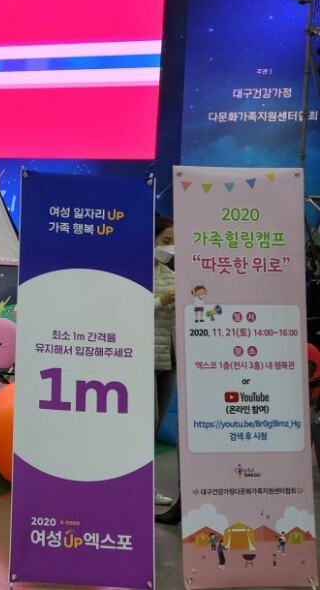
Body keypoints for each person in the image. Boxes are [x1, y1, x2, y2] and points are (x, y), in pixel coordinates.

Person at [153, 214, 176, 508]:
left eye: (173, 242)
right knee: (147, 424)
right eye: (166, 241)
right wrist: (161, 301)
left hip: (169, 358)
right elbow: (127, 308)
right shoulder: (135, 272)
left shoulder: (171, 274)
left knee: (156, 424)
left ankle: (148, 484)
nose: (170, 247)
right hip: (145, 357)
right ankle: (142, 485)